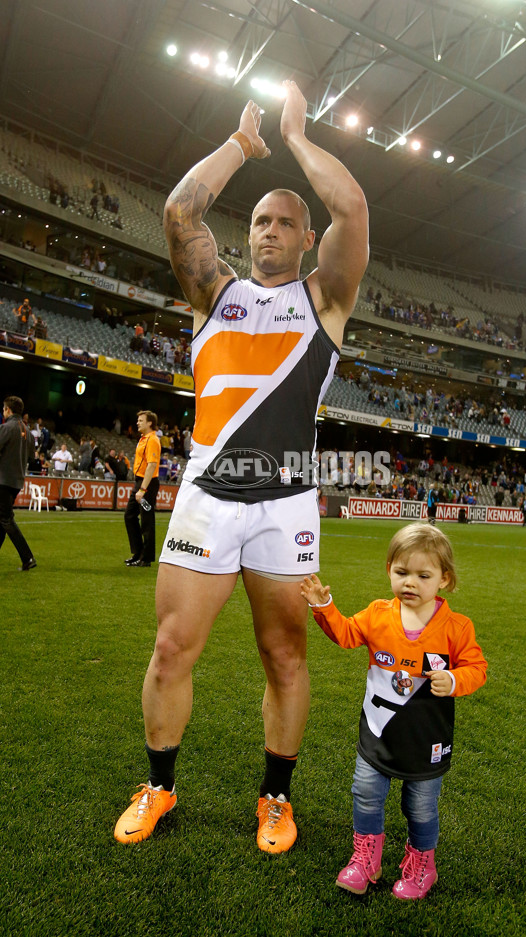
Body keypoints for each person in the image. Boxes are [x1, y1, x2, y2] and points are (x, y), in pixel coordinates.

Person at [113, 80, 369, 851]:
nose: (267, 231)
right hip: (205, 497)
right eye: (259, 221)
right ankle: (160, 787)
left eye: (283, 222)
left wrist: (295, 138)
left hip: (287, 502)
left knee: (285, 654)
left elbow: (353, 210)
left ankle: (276, 800)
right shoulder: (212, 294)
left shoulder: (325, 299)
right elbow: (179, 214)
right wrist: (240, 146)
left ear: (303, 237)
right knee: (170, 647)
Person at [300, 523, 487, 900]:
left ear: (444, 580)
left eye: (423, 575)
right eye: (402, 572)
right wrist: (324, 607)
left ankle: (422, 865)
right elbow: (347, 634)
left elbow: (477, 668)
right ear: (389, 570)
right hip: (378, 730)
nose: (410, 583)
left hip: (426, 740)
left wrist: (454, 680)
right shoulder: (377, 614)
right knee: (365, 792)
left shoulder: (456, 628)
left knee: (420, 806)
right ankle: (365, 858)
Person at [0, 396, 36, 571]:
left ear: (8, 410)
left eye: (4, 409)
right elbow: (32, 457)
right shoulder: (28, 432)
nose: (3, 412)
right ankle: (27, 557)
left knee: (6, 519)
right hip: (17, 481)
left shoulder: (6, 428)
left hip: (3, 480)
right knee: (2, 519)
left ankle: (27, 557)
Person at [123, 410, 161, 568]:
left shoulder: (153, 440)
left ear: (149, 423)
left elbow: (152, 465)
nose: (137, 422)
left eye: (141, 420)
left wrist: (143, 489)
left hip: (147, 484)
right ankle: (137, 552)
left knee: (147, 520)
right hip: (140, 482)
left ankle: (146, 558)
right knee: (129, 516)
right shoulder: (143, 439)